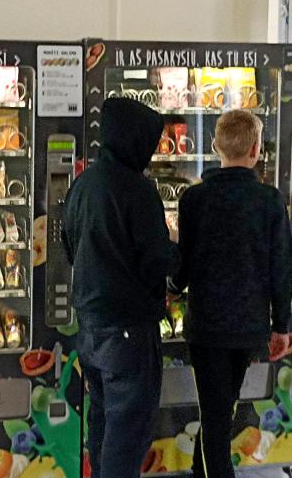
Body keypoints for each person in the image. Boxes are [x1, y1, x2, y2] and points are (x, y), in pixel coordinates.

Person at [168, 109, 292, 478]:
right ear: (255, 150)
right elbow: (281, 269)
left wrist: (170, 289)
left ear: (214, 146)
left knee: (216, 415)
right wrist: (282, 326)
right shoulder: (270, 201)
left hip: (206, 327)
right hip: (249, 327)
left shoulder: (194, 199)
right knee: (222, 411)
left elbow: (183, 267)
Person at [61, 98, 179, 478]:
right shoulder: (137, 191)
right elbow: (157, 258)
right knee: (128, 432)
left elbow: (68, 245)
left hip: (89, 327)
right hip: (128, 332)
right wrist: (180, 258)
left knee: (101, 421)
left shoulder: (83, 184)